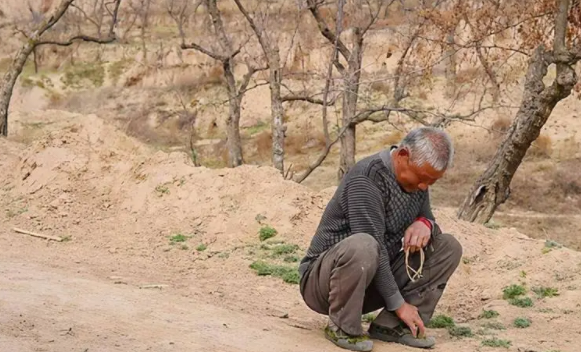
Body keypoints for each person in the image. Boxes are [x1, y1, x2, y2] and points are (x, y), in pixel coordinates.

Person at [298, 127, 462, 351]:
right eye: (423, 178)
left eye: (431, 182)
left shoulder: (417, 182)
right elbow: (373, 247)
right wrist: (400, 304)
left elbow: (429, 221)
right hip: (324, 285)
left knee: (448, 247)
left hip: (369, 281)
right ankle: (343, 326)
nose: (424, 187)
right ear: (403, 156)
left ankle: (393, 326)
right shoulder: (366, 179)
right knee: (365, 244)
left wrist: (425, 223)